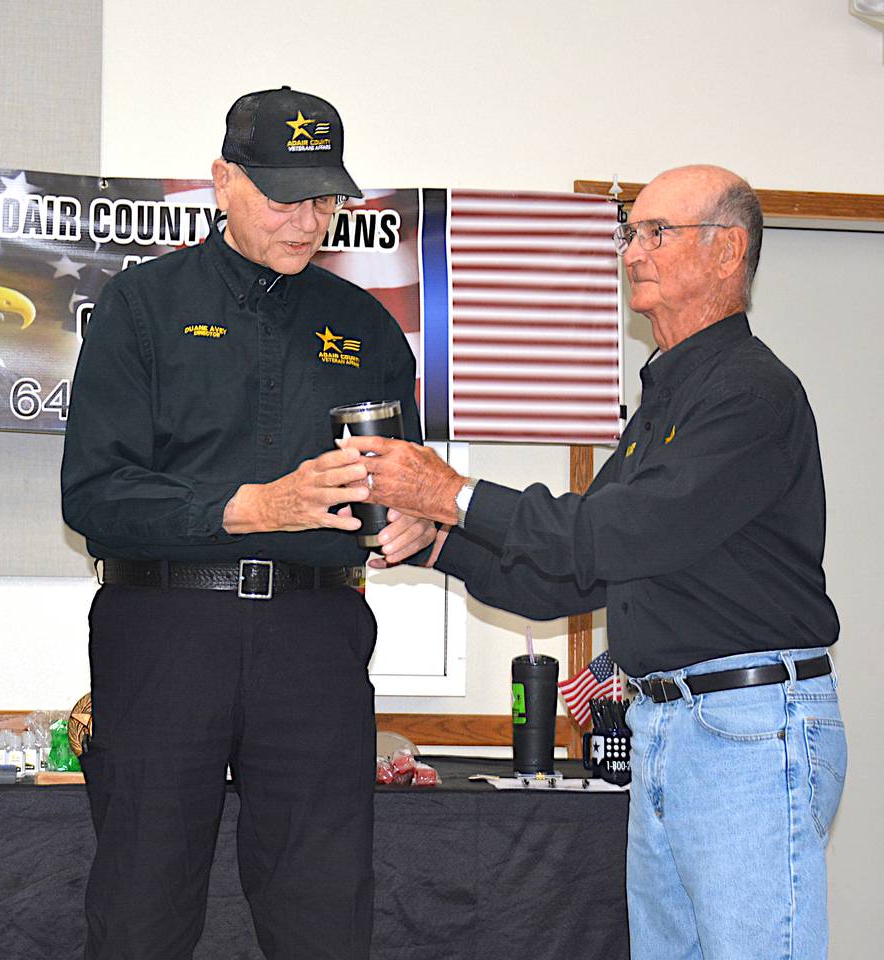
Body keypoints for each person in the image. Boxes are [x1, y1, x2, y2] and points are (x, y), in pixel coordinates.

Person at [346, 165, 846, 960]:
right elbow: (565, 577)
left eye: (657, 232)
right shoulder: (667, 399)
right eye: (630, 232)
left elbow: (619, 534)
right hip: (666, 726)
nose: (632, 252)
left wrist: (455, 492)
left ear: (728, 251)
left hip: (748, 731)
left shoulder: (752, 391)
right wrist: (440, 540)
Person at [61, 86, 435, 960]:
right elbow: (93, 498)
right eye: (282, 196)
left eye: (325, 199)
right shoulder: (139, 306)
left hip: (316, 637)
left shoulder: (367, 325)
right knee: (142, 903)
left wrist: (417, 521)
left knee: (324, 907)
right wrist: (249, 508)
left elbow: (406, 483)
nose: (308, 223)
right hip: (164, 630)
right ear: (221, 180)